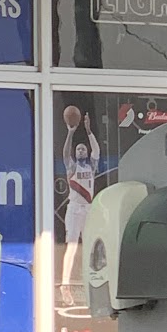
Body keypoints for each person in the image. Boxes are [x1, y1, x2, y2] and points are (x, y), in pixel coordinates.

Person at [60, 108, 101, 308]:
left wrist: (89, 131)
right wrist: (70, 132)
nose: (81, 151)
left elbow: (97, 151)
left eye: (83, 149)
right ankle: (65, 284)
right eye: (79, 150)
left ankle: (92, 284)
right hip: (75, 208)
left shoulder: (91, 166)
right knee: (72, 246)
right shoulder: (72, 167)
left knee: (90, 247)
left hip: (88, 208)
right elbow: (65, 153)